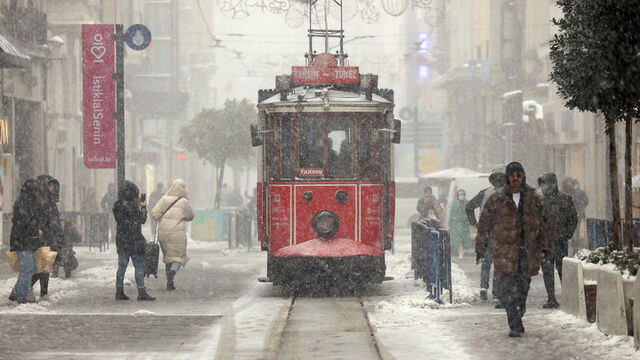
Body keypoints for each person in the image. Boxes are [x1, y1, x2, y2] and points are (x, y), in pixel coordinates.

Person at [476, 162, 555, 337]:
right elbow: (484, 224)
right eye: (512, 175)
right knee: (507, 290)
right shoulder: (497, 198)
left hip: (527, 252)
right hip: (504, 252)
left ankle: (518, 314)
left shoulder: (534, 198)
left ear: (523, 176)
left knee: (522, 288)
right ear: (507, 177)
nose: (515, 178)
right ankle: (514, 322)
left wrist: (546, 247)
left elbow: (545, 224)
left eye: (518, 174)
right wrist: (480, 249)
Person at [538, 173, 578, 308]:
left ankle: (567, 298)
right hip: (544, 243)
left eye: (545, 184)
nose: (542, 187)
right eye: (541, 184)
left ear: (552, 184)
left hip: (559, 241)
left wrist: (566, 234)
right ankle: (551, 298)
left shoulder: (565, 199)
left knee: (562, 269)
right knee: (547, 271)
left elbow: (573, 218)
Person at [466, 166, 506, 301]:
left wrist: (474, 223)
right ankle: (496, 292)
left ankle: (484, 287)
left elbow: (469, 206)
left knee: (486, 261)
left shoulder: (484, 193)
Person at [113, 180, 155, 301]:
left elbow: (123, 219)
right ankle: (141, 291)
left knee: (122, 267)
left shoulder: (117, 205)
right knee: (138, 266)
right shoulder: (131, 206)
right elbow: (141, 219)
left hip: (121, 240)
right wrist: (142, 208)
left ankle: (119, 290)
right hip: (134, 240)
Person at [151, 179, 194, 291]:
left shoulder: (164, 199)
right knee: (179, 257)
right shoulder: (184, 202)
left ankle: (169, 283)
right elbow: (190, 216)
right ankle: (173, 271)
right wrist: (181, 217)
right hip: (177, 233)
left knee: (169, 257)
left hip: (163, 232)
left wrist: (163, 218)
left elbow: (154, 213)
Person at [8, 179, 42, 304]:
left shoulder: (29, 202)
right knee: (27, 269)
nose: (38, 194)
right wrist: (36, 230)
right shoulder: (23, 203)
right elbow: (24, 221)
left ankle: (17, 292)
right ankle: (22, 296)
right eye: (36, 191)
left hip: (25, 241)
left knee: (31, 268)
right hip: (22, 241)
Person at [31, 175, 64, 302]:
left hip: (50, 237)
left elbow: (54, 220)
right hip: (43, 238)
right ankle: (29, 289)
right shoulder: (41, 202)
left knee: (45, 267)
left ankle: (41, 292)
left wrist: (59, 235)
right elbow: (42, 220)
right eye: (50, 185)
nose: (52, 188)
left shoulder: (50, 202)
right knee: (42, 267)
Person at [561, 177, 589, 242]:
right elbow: (586, 201)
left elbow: (586, 201)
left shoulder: (566, 192)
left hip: (573, 213)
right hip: (575, 213)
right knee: (575, 227)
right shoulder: (578, 192)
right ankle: (574, 240)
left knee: (573, 227)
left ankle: (573, 240)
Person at [449, 189, 471, 259]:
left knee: (465, 239)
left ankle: (463, 250)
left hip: (465, 224)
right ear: (457, 196)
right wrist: (451, 224)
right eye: (460, 194)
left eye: (462, 194)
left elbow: (469, 213)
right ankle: (460, 251)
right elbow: (451, 214)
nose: (461, 196)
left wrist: (469, 220)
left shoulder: (467, 203)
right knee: (458, 239)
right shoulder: (454, 203)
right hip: (457, 224)